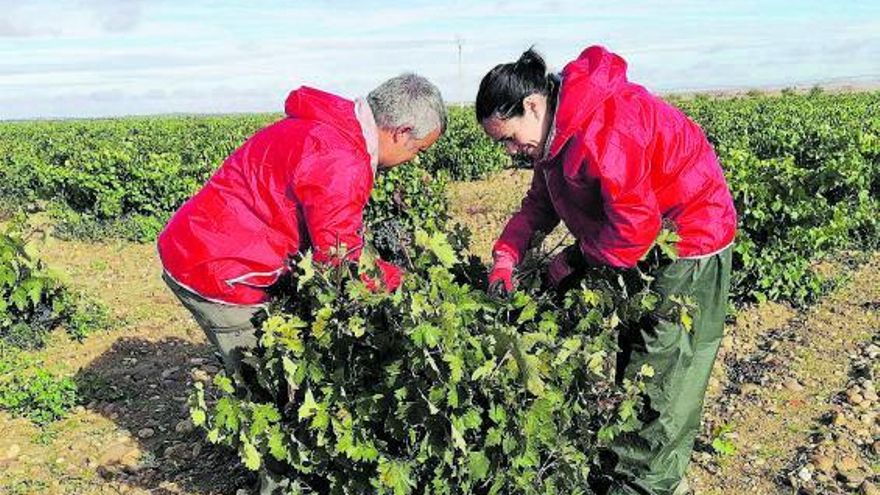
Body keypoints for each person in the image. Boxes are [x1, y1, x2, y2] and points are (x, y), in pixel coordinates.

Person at [157, 74, 445, 494]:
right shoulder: (341, 158)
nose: (415, 159)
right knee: (272, 395)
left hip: (207, 245)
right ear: (400, 132)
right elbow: (340, 262)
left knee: (274, 368)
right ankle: (282, 482)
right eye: (418, 150)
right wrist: (404, 283)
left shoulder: (328, 127)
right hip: (219, 271)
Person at [477, 45, 737, 495]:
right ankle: (633, 469)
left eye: (508, 137)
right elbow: (539, 206)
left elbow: (635, 228)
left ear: (533, 105)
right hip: (640, 244)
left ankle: (648, 485)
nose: (511, 150)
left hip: (690, 242)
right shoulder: (555, 136)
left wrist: (571, 260)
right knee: (637, 358)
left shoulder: (605, 130)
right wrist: (506, 256)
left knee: (660, 376)